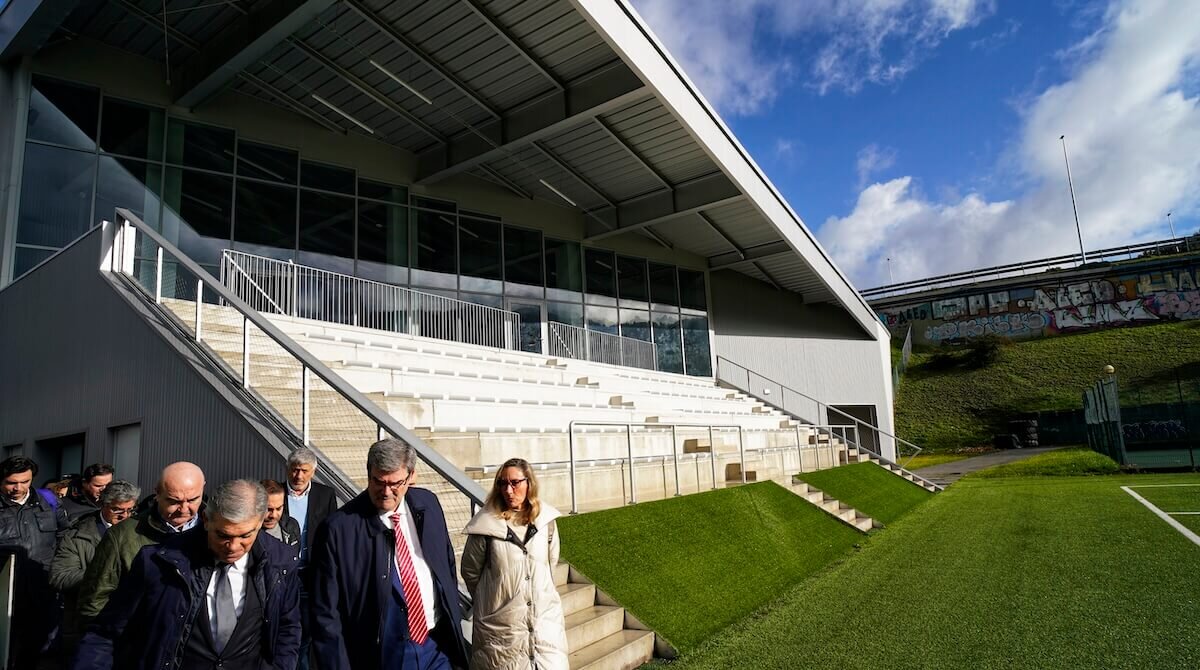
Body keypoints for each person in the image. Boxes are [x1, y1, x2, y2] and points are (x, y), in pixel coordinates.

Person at [74, 479, 302, 670]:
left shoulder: (282, 562)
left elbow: (287, 628)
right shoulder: (158, 561)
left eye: (245, 536)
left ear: (260, 522)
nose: (233, 546)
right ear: (206, 520)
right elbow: (106, 632)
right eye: (223, 535)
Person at [312, 438, 467, 669]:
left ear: (410, 477)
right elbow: (326, 615)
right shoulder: (337, 530)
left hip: (437, 647)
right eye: (378, 482)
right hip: (383, 656)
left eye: (395, 483)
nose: (386, 492)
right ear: (368, 474)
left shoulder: (429, 505)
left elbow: (446, 566)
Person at [461, 458, 568, 670]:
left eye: (515, 483)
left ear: (529, 483)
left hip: (544, 626)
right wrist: (496, 600)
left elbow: (549, 565)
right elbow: (470, 572)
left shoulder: (546, 522)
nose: (508, 490)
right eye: (502, 484)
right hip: (501, 630)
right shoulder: (485, 527)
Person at [77, 461, 205, 618]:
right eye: (174, 501)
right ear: (157, 493)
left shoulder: (215, 533)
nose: (184, 509)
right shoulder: (122, 535)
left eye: (192, 500)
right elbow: (94, 601)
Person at [50, 480, 140, 662]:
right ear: (103, 505)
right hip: (88, 624)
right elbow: (59, 576)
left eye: (130, 510)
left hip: (130, 624)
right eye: (117, 510)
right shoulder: (78, 534)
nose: (125, 516)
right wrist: (104, 576)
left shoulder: (140, 531)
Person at [0, 455, 69, 668]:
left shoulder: (48, 501)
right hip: (6, 595)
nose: (18, 487)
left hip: (45, 589)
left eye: (25, 481)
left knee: (42, 651)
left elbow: (65, 535)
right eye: (11, 482)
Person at [283, 447, 338, 669]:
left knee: (306, 631)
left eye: (304, 471)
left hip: (311, 575)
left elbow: (331, 534)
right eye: (294, 470)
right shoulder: (275, 494)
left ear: (313, 472)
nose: (298, 476)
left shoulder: (324, 495)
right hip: (284, 573)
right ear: (287, 469)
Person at [260, 479, 301, 551]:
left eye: (278, 508)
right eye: (268, 509)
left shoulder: (291, 526)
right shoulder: (245, 532)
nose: (274, 515)